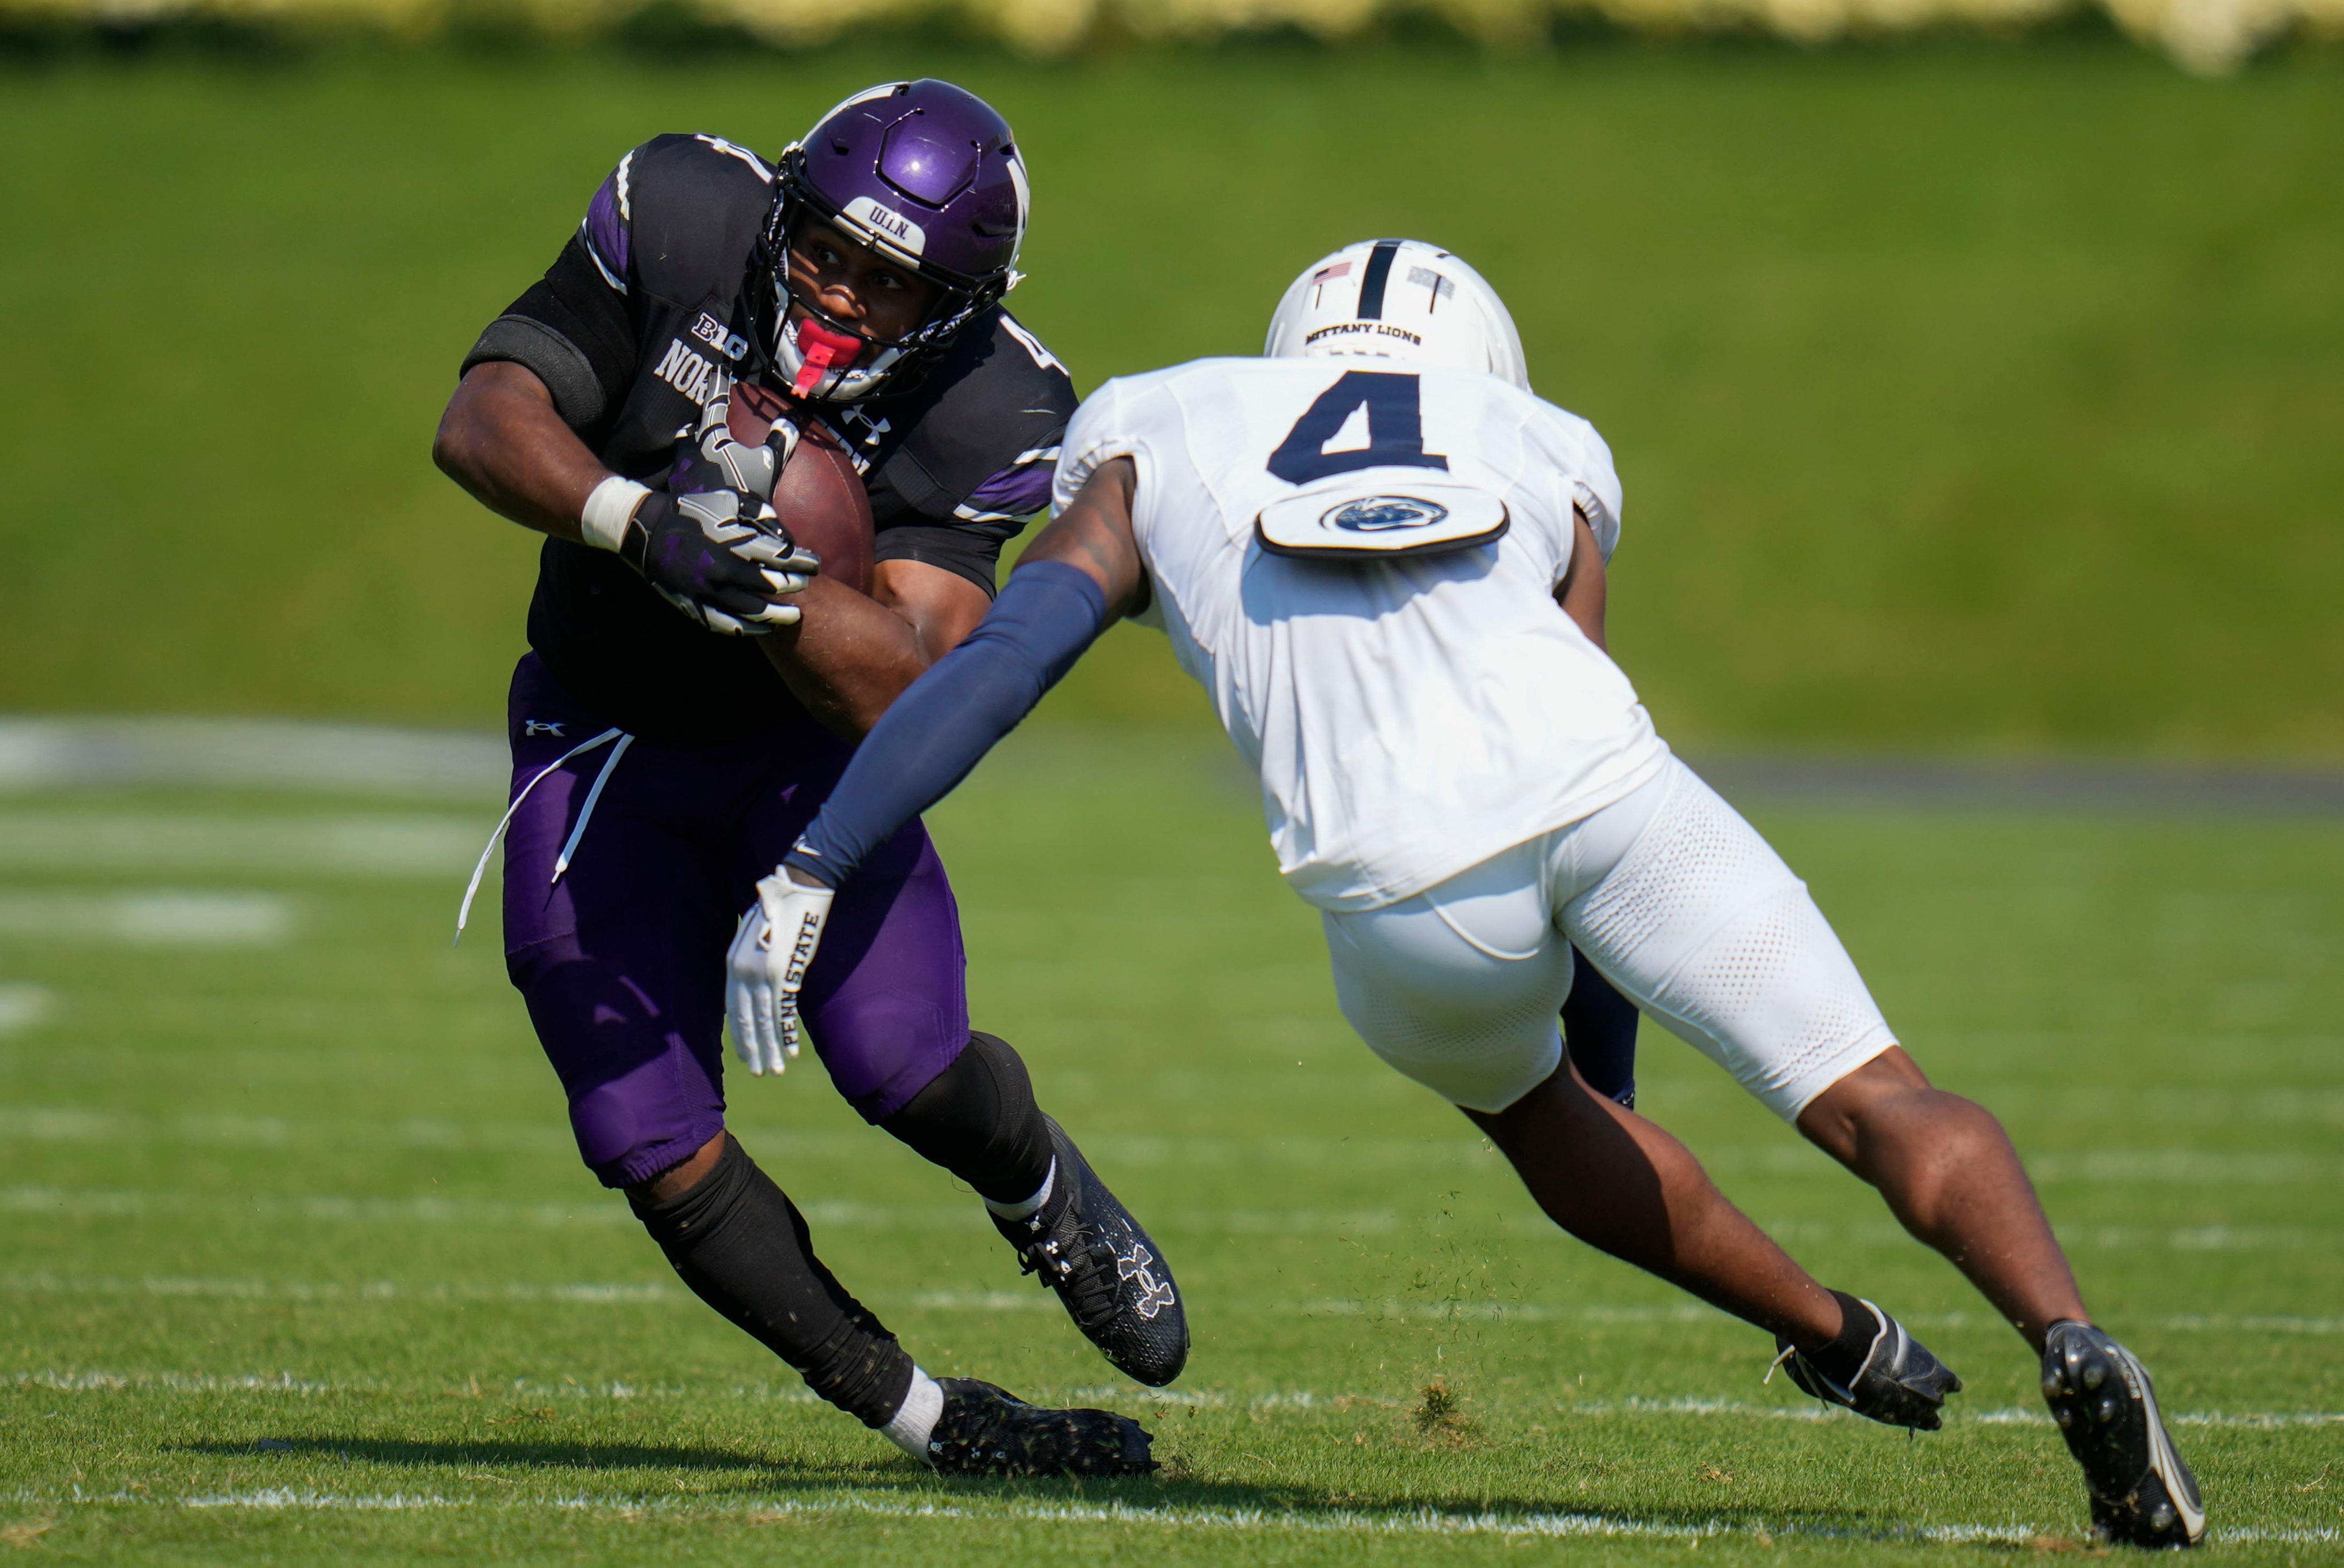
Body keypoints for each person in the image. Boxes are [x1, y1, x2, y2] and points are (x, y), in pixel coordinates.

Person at [732, 239, 2206, 1546]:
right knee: (1881, 1094)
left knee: (1540, 1112)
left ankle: (1834, 1333)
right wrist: (1615, 1054)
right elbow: (1584, 689)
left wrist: (818, 858)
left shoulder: (1161, 420)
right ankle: (2067, 1331)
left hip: (1405, 882)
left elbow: (1003, 664)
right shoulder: (1537, 436)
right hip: (1610, 790)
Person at [429, 80, 1183, 1477]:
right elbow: (483, 418)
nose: (839, 298)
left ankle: (1040, 1191)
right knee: (642, 1132)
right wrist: (637, 520)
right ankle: (932, 1420)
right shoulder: (685, 216)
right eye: (827, 251)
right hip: (604, 745)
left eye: (890, 287)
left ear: (954, 310)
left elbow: (912, 679)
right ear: (782, 214)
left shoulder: (1000, 405)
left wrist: (767, 583)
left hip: (806, 770)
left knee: (902, 1064)